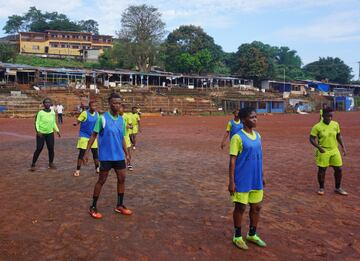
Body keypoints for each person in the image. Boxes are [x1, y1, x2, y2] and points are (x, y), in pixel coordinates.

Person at [84, 93, 131, 219]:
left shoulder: (122, 120)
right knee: (101, 181)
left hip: (119, 156)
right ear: (110, 103)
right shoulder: (102, 118)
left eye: (119, 103)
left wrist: (127, 154)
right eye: (115, 103)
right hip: (106, 157)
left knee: (122, 179)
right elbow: (93, 135)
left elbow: (122, 139)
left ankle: (119, 205)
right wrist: (86, 152)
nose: (117, 105)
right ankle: (93, 206)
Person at [228, 107, 266, 250]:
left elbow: (260, 156)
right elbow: (232, 160)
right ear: (244, 120)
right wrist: (231, 181)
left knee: (256, 207)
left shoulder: (258, 136)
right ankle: (237, 236)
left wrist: (262, 174)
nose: (255, 119)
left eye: (256, 117)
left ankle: (252, 234)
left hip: (256, 178)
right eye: (252, 117)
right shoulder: (237, 137)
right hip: (242, 178)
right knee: (240, 207)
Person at [310, 107, 348, 196]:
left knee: (338, 169)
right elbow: (311, 139)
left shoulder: (335, 124)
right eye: (328, 116)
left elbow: (339, 136)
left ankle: (338, 188)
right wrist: (319, 148)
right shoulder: (317, 127)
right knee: (322, 169)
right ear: (323, 116)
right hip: (323, 150)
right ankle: (321, 188)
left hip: (334, 150)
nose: (330, 118)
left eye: (331, 116)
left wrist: (343, 147)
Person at [30, 98, 61, 171]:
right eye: (46, 102)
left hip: (50, 133)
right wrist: (38, 131)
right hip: (41, 133)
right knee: (39, 148)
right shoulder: (40, 112)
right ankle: (33, 164)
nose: (47, 104)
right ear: (43, 104)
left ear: (51, 104)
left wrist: (57, 130)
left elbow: (53, 122)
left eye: (49, 102)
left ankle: (51, 163)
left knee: (51, 148)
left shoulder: (53, 112)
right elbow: (36, 122)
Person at [73, 100, 99, 177]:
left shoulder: (97, 114)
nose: (94, 107)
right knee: (82, 153)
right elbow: (79, 120)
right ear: (89, 106)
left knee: (95, 153)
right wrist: (76, 123)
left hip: (93, 136)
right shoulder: (85, 113)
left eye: (95, 106)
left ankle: (97, 168)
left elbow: (98, 124)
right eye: (92, 106)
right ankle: (78, 170)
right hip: (84, 135)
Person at [120, 104, 134, 171]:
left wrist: (129, 126)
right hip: (117, 137)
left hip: (125, 136)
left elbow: (131, 126)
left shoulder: (126, 116)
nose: (119, 109)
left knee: (128, 151)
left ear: (123, 109)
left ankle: (129, 163)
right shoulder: (115, 116)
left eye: (120, 108)